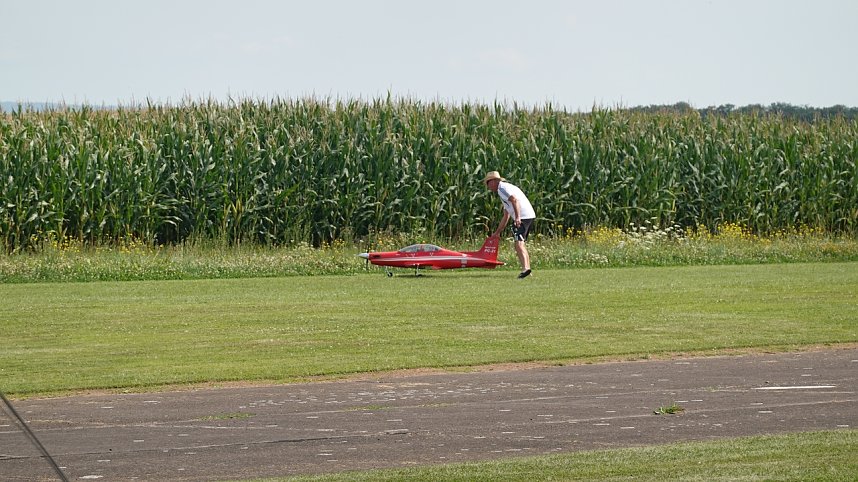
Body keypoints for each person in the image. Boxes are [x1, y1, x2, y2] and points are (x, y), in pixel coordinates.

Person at [483, 171, 535, 279]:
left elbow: (514, 200)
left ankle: (525, 269)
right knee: (521, 244)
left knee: (519, 244)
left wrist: (517, 217)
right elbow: (506, 215)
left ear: (492, 182)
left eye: (488, 183)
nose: (488, 187)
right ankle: (527, 270)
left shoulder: (502, 189)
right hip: (529, 215)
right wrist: (497, 233)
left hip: (523, 217)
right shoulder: (506, 188)